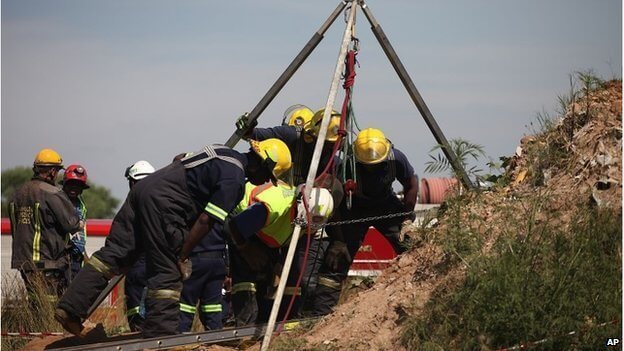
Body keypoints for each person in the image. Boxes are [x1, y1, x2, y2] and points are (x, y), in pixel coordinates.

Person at [55, 139, 291, 338]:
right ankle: (160, 336)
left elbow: (180, 158)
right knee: (168, 271)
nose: (265, 181)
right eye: (268, 175)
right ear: (262, 163)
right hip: (165, 205)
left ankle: (70, 308)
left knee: (115, 254)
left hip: (143, 191)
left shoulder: (222, 151)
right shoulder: (235, 180)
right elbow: (206, 221)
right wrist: (182, 254)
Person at [236, 106, 343, 308]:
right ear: (312, 135)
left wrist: (339, 239)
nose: (330, 149)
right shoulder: (291, 136)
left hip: (304, 219)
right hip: (277, 210)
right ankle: (259, 313)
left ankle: (291, 312)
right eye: (328, 144)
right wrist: (248, 128)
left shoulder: (333, 159)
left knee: (297, 274)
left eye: (334, 145)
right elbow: (255, 136)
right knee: (263, 269)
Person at [312, 128, 419, 316]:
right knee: (336, 259)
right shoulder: (346, 165)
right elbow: (335, 204)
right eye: (367, 165)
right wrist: (339, 240)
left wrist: (406, 219)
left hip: (385, 205)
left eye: (376, 164)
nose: (372, 167)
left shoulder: (396, 158)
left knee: (409, 245)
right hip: (353, 209)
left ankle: (419, 293)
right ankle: (321, 314)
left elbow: (411, 184)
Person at [226, 179, 335, 326]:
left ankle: (263, 323)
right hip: (240, 221)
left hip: (266, 231)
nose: (310, 228)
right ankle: (244, 327)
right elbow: (234, 226)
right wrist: (247, 250)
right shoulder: (274, 208)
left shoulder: (310, 213)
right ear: (302, 208)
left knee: (267, 273)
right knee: (247, 277)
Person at [9, 148, 82, 305]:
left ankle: (37, 327)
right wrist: (80, 223)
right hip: (48, 261)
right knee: (51, 304)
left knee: (35, 302)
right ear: (52, 171)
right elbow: (71, 223)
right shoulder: (52, 193)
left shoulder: (17, 193)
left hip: (24, 260)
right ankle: (48, 328)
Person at [122, 160, 156, 332]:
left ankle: (137, 332)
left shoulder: (132, 205)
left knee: (136, 305)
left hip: (139, 263)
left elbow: (124, 237)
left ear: (133, 182)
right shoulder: (161, 202)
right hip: (160, 264)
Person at [61, 164, 90, 281]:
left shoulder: (81, 205)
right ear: (64, 183)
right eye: (71, 183)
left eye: (78, 185)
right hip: (63, 256)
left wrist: (84, 255)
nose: (74, 188)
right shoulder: (58, 201)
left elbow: (80, 234)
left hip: (78, 258)